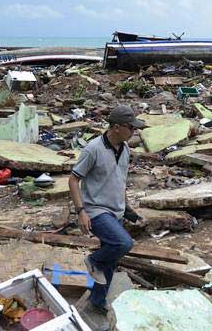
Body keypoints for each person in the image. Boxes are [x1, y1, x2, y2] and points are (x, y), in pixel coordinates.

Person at [68, 104, 145, 314]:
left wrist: (127, 206)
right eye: (132, 128)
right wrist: (81, 211)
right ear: (118, 127)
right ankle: (93, 260)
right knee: (123, 243)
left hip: (116, 210)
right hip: (96, 209)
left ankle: (97, 300)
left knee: (110, 263)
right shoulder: (93, 149)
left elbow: (121, 180)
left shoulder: (125, 149)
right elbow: (73, 180)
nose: (134, 132)